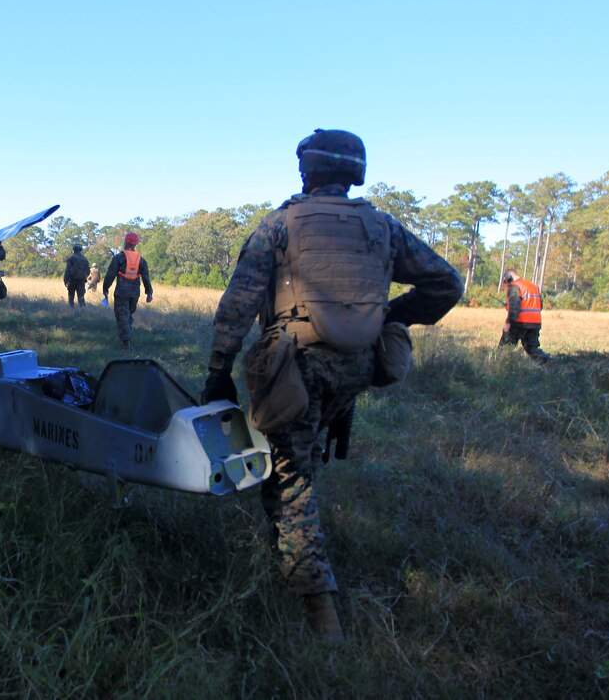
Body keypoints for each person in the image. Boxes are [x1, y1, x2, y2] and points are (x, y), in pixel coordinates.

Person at [200, 129, 463, 641]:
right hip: (358, 366)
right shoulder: (382, 228)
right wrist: (391, 317)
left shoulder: (279, 225)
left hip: (294, 368)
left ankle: (322, 614)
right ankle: (293, 548)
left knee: (291, 482)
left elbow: (237, 304)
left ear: (308, 172)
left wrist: (217, 372)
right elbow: (446, 283)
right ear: (354, 173)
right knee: (303, 455)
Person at [102, 232, 154, 351]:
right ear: (136, 244)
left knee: (122, 316)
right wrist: (149, 293)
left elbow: (110, 275)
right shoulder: (141, 259)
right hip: (135, 292)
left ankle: (126, 342)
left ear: (125, 242)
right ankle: (126, 337)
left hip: (122, 292)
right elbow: (146, 277)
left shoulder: (119, 258)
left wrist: (105, 289)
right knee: (128, 315)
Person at [498, 269, 550, 364]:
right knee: (532, 348)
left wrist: (508, 323)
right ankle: (547, 363)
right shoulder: (533, 286)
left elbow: (514, 307)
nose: (507, 284)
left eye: (506, 281)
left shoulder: (515, 286)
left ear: (509, 277)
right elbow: (539, 305)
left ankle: (500, 367)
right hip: (535, 323)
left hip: (519, 322)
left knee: (505, 347)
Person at [63, 243, 91, 311]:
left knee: (71, 296)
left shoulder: (71, 258)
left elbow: (67, 270)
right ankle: (83, 310)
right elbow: (88, 272)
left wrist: (65, 280)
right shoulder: (85, 260)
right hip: (81, 281)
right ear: (80, 250)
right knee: (81, 296)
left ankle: (71, 310)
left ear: (74, 249)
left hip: (72, 280)